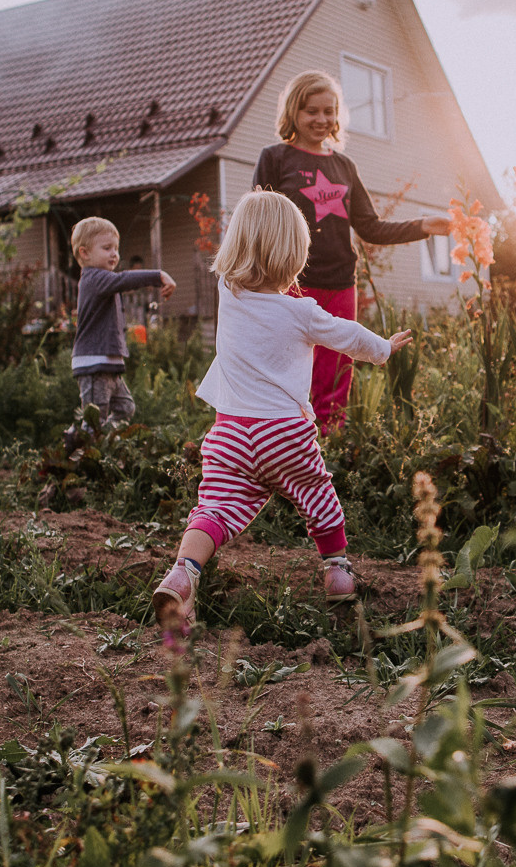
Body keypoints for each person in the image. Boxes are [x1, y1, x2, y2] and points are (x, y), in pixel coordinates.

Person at [151, 190, 412, 630]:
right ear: (295, 254)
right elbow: (347, 335)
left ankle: (183, 573)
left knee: (213, 508)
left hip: (230, 434)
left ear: (236, 245)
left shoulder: (227, 292)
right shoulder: (301, 312)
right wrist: (384, 348)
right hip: (284, 434)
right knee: (316, 494)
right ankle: (337, 572)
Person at [253, 70, 449, 426]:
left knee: (336, 373)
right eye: (312, 111)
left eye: (329, 112)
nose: (322, 119)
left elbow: (371, 227)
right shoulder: (276, 158)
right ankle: (286, 442)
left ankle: (332, 444)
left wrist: (423, 226)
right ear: (293, 113)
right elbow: (259, 221)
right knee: (289, 372)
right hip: (291, 286)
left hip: (341, 284)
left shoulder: (344, 165)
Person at [70, 217, 175, 425]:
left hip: (108, 363)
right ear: (85, 253)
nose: (114, 254)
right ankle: (80, 450)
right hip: (94, 364)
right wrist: (158, 276)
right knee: (93, 421)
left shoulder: (103, 281)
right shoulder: (93, 278)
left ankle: (103, 448)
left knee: (125, 408)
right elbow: (122, 279)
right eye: (107, 248)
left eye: (116, 248)